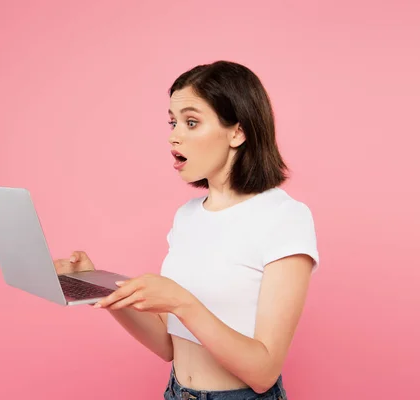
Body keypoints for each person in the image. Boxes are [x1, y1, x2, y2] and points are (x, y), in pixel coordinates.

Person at [53, 60, 319, 400]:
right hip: (177, 392)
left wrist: (181, 302)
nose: (174, 135)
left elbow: (264, 372)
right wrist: (98, 287)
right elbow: (167, 344)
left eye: (191, 122)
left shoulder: (284, 217)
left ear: (238, 132)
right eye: (173, 122)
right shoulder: (187, 216)